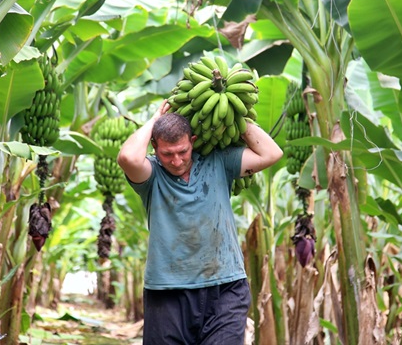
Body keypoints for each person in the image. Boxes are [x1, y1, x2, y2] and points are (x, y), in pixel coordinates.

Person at [117, 100, 283, 344]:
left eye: (182, 151)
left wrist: (235, 113)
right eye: (167, 154)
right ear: (154, 147)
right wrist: (154, 121)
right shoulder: (151, 175)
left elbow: (272, 153)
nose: (176, 161)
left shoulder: (219, 162)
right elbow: (127, 158)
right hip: (167, 292)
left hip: (225, 287)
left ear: (192, 142)